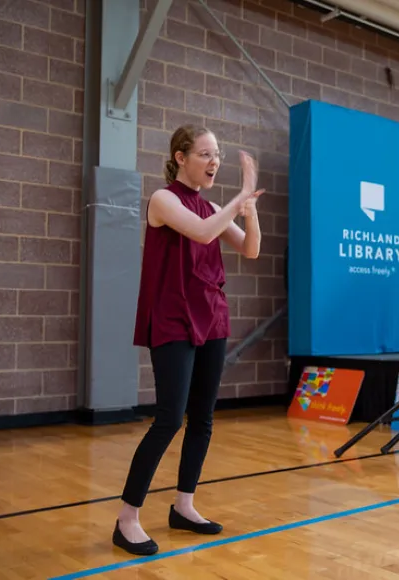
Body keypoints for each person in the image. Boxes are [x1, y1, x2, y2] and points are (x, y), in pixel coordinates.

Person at [112, 124, 264, 556]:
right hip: (174, 320)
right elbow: (201, 232)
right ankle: (127, 519)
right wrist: (239, 198)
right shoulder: (163, 200)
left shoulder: (214, 205)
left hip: (212, 318)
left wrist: (248, 210)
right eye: (204, 154)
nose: (214, 161)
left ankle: (184, 506)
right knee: (169, 418)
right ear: (180, 157)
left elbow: (250, 250)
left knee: (203, 418)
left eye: (217, 154)